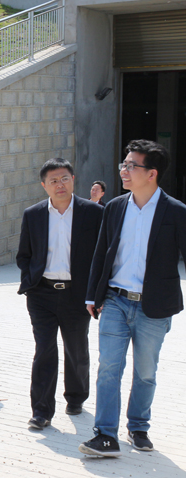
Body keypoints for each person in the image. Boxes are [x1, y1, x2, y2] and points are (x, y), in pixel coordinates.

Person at [79, 140, 186, 457]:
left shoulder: (176, 212)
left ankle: (138, 426)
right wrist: (92, 294)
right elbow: (102, 252)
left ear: (152, 173)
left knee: (145, 372)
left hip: (154, 306)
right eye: (123, 165)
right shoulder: (115, 207)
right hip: (115, 299)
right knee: (108, 368)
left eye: (131, 166)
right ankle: (105, 435)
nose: (123, 171)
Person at [16, 158, 103, 431]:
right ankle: (41, 411)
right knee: (44, 349)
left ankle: (76, 397)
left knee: (76, 348)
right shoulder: (33, 214)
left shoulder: (93, 213)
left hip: (77, 294)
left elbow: (102, 255)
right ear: (44, 185)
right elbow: (24, 255)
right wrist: (30, 280)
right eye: (53, 180)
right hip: (41, 293)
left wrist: (96, 294)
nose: (60, 184)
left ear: (73, 179)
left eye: (64, 178)